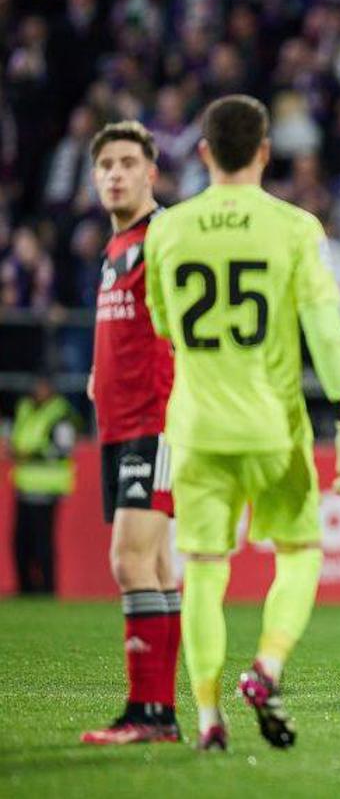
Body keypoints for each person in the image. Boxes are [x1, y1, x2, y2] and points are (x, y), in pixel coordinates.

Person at [144, 94, 340, 751]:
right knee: (299, 553)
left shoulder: (167, 229)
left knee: (204, 572)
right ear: (266, 151)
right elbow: (325, 330)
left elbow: (163, 326)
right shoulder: (295, 227)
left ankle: (209, 719)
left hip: (195, 429)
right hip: (274, 429)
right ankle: (266, 667)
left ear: (205, 152)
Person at [78, 121, 181, 746]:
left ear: (151, 173)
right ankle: (158, 715)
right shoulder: (114, 249)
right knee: (159, 565)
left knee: (129, 559)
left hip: (155, 423)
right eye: (105, 165)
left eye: (126, 163)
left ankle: (147, 713)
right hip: (120, 426)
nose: (114, 173)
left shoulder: (162, 237)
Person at [6, 376, 77, 594]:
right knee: (20, 543)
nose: (39, 390)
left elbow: (63, 449)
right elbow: (18, 439)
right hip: (24, 486)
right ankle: (25, 589)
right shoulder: (25, 408)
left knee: (42, 543)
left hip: (47, 488)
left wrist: (29, 454)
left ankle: (47, 589)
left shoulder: (61, 414)